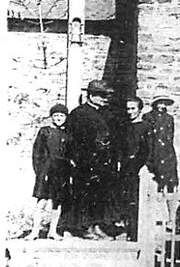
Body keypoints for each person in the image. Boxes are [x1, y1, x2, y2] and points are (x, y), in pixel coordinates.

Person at [63, 79, 118, 239]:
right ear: (91, 95)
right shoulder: (79, 113)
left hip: (103, 162)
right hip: (85, 162)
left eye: (106, 96)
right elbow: (71, 140)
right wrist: (76, 159)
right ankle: (84, 227)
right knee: (84, 195)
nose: (104, 99)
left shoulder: (106, 113)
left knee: (100, 195)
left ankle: (97, 226)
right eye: (101, 96)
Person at [28, 103, 70, 240]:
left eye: (61, 116)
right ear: (51, 117)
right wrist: (40, 171)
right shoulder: (45, 132)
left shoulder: (66, 134)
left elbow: (69, 155)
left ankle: (52, 231)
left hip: (60, 172)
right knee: (42, 202)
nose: (59, 118)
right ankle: (35, 231)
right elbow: (37, 153)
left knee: (56, 203)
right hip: (46, 171)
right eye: (56, 115)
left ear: (65, 117)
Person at [118, 96, 151, 241]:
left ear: (139, 109)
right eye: (127, 109)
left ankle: (135, 232)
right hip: (124, 168)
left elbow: (149, 149)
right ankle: (124, 231)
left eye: (133, 108)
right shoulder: (124, 126)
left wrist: (144, 166)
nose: (130, 112)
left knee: (136, 200)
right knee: (124, 199)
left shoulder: (145, 127)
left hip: (138, 168)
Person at [143, 89, 179, 223]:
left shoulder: (169, 118)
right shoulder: (148, 117)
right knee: (154, 185)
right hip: (154, 154)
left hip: (167, 155)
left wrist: (169, 155)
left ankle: (171, 219)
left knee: (170, 186)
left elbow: (170, 138)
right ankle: (154, 217)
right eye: (160, 102)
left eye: (165, 103)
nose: (162, 105)